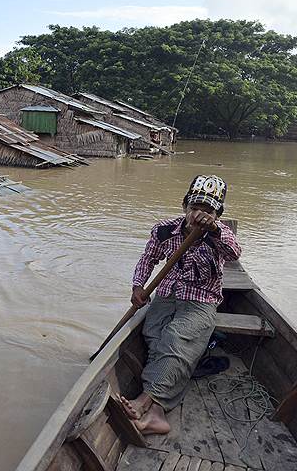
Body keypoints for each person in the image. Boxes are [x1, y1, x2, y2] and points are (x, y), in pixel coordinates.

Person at [116, 175, 242, 434]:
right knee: (154, 337)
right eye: (194, 208)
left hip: (201, 302)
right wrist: (138, 287)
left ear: (217, 214)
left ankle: (144, 402)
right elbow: (147, 259)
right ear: (184, 206)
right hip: (165, 296)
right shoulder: (164, 230)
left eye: (207, 211)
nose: (199, 215)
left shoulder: (220, 235)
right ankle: (158, 413)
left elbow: (234, 253)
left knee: (175, 339)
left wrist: (215, 230)